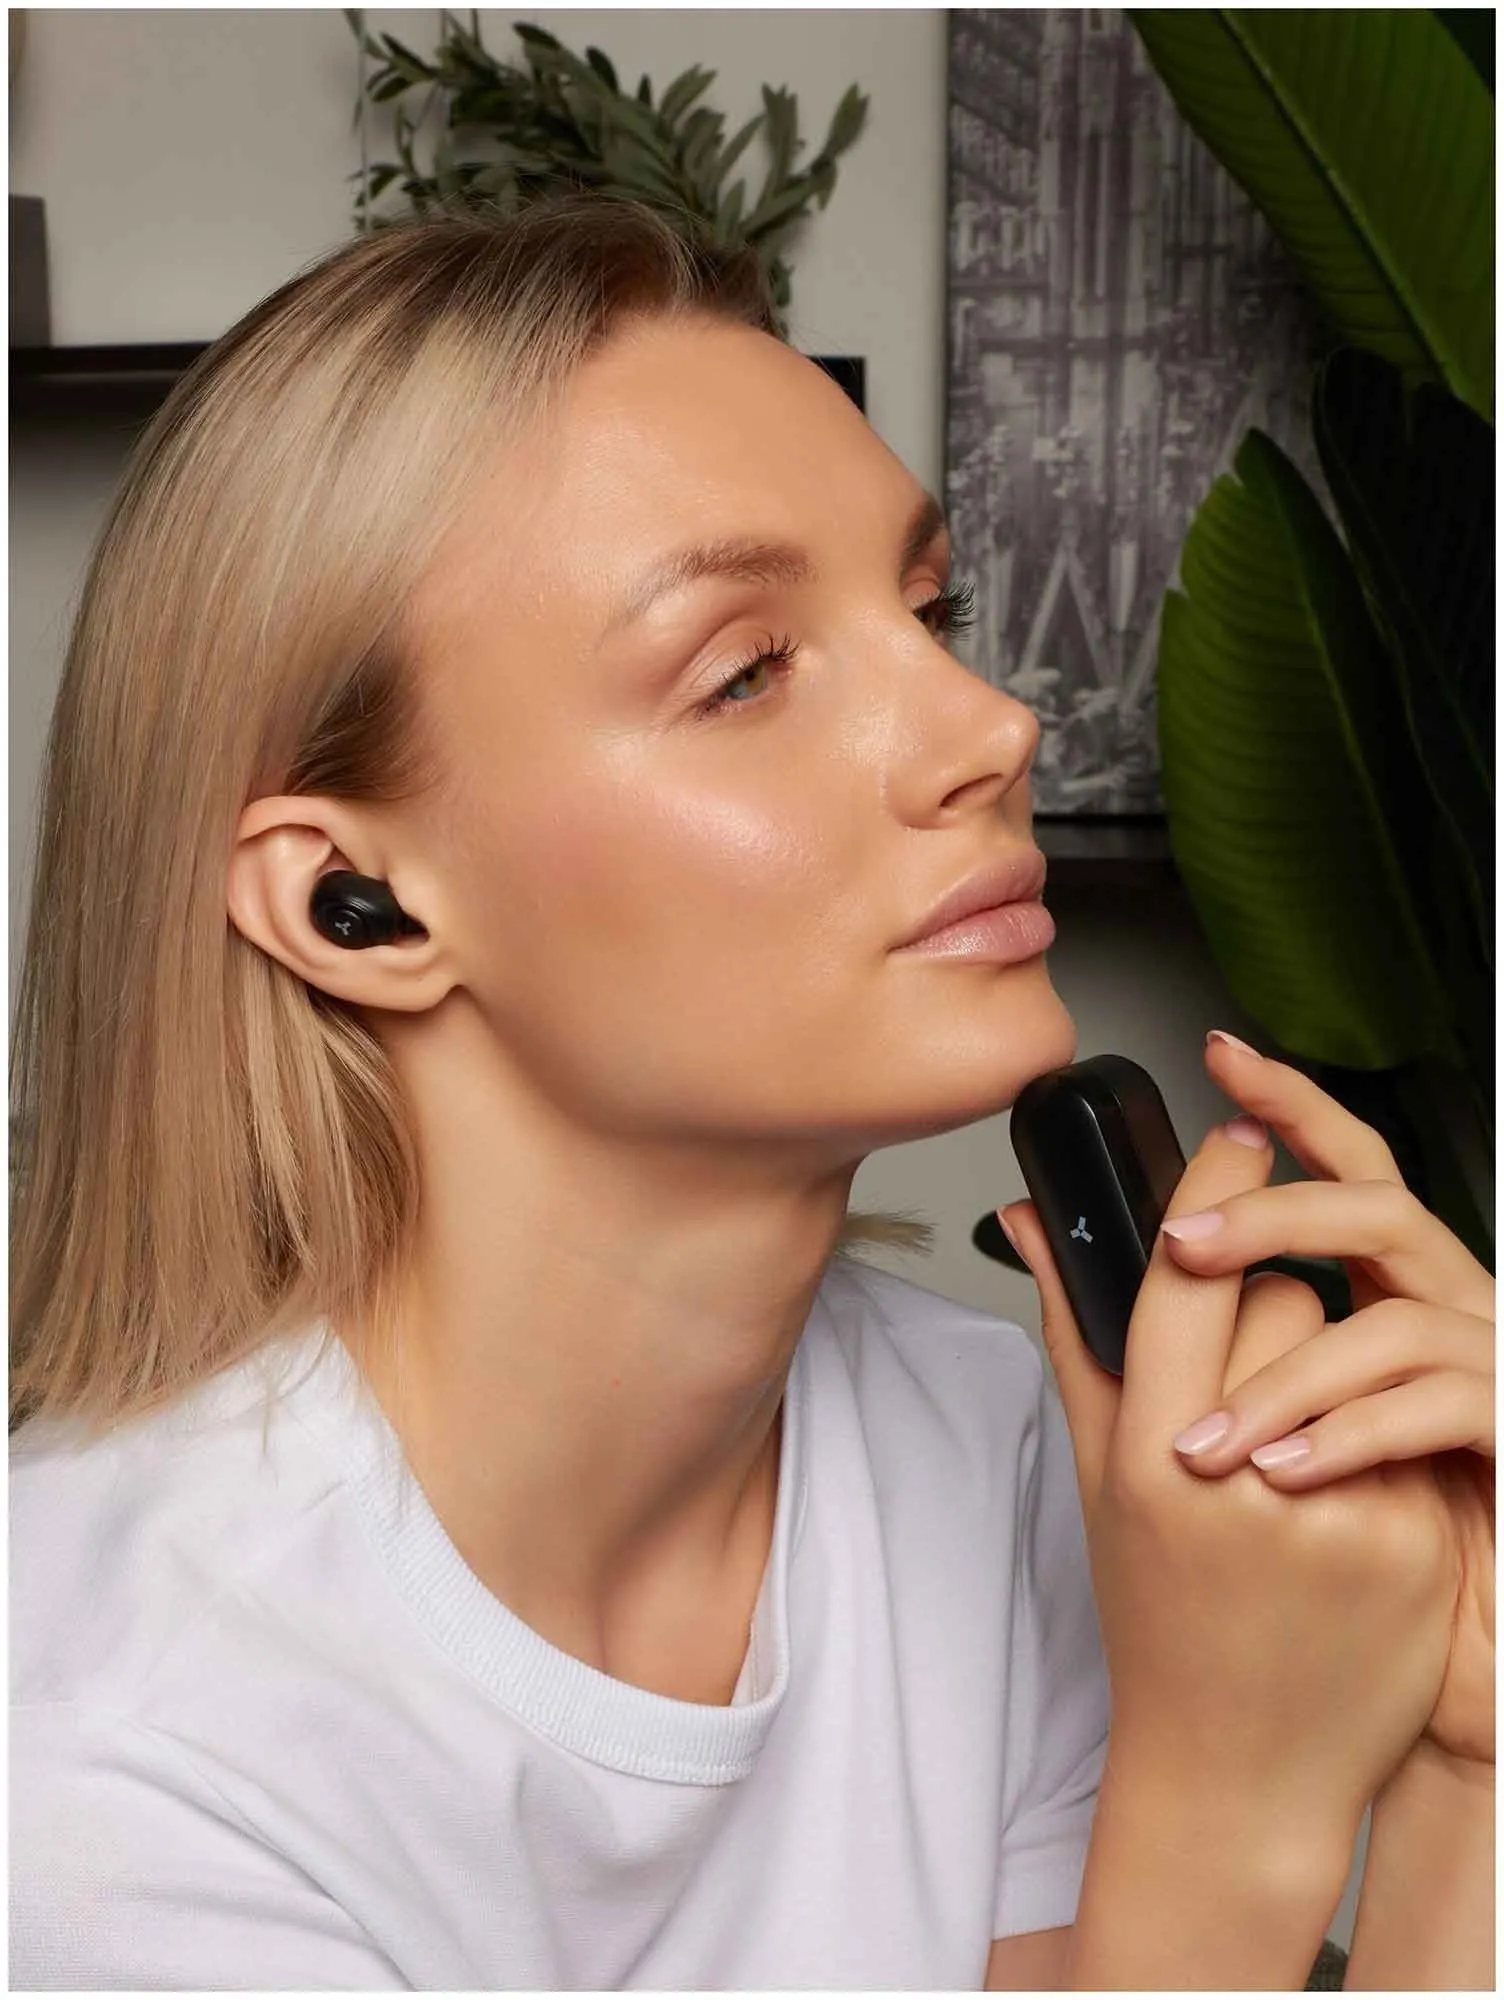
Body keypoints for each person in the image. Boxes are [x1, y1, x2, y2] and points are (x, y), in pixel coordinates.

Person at [9, 193, 1493, 1991]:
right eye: (746, 672)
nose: (992, 727)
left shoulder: (996, 1453)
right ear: (356, 902)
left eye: (931, 608)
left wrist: (1462, 1768)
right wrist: (1229, 1803)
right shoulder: (99, 1759)